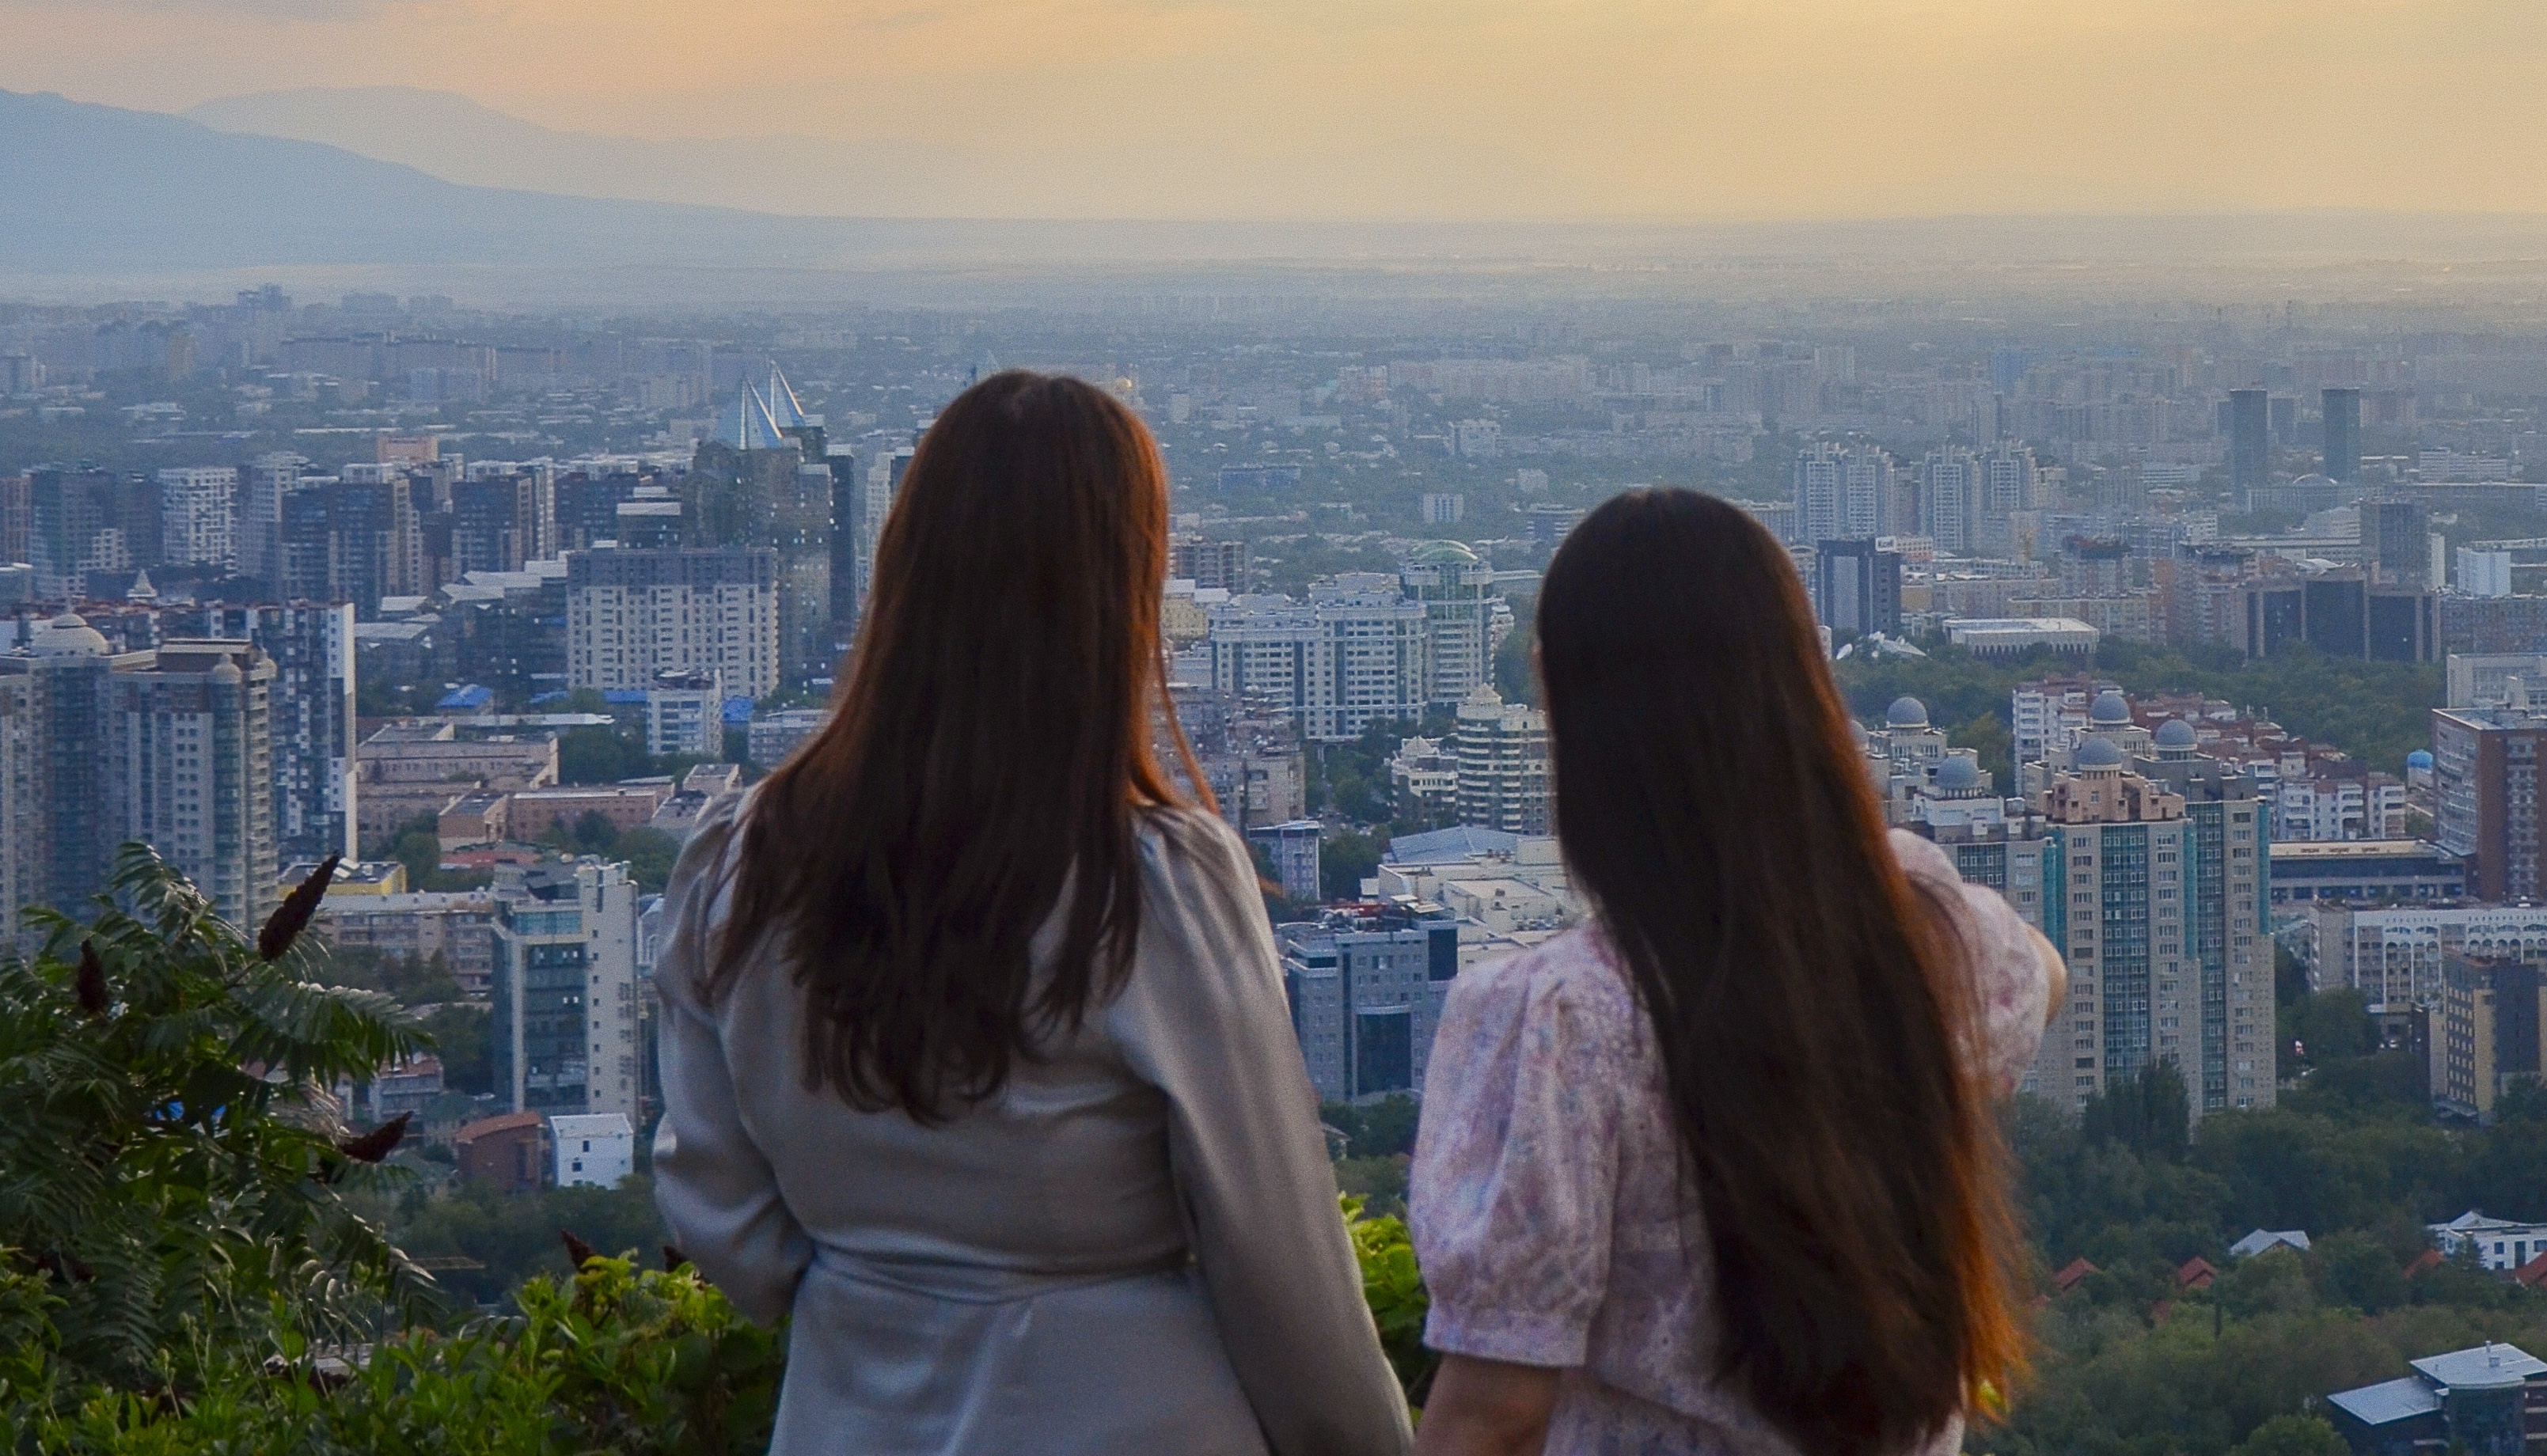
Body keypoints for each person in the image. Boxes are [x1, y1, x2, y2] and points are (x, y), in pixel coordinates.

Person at [651, 371, 1413, 1456]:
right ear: (1124, 587)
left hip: (849, 1411)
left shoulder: (743, 865)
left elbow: (718, 1209)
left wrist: (880, 1279)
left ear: (904, 568)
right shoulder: (1151, 888)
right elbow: (1282, 1270)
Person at [1408, 488, 2062, 1456]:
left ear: (1570, 709)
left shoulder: (1567, 1016)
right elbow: (2042, 974)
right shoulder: (1911, 933)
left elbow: (1495, 1407)